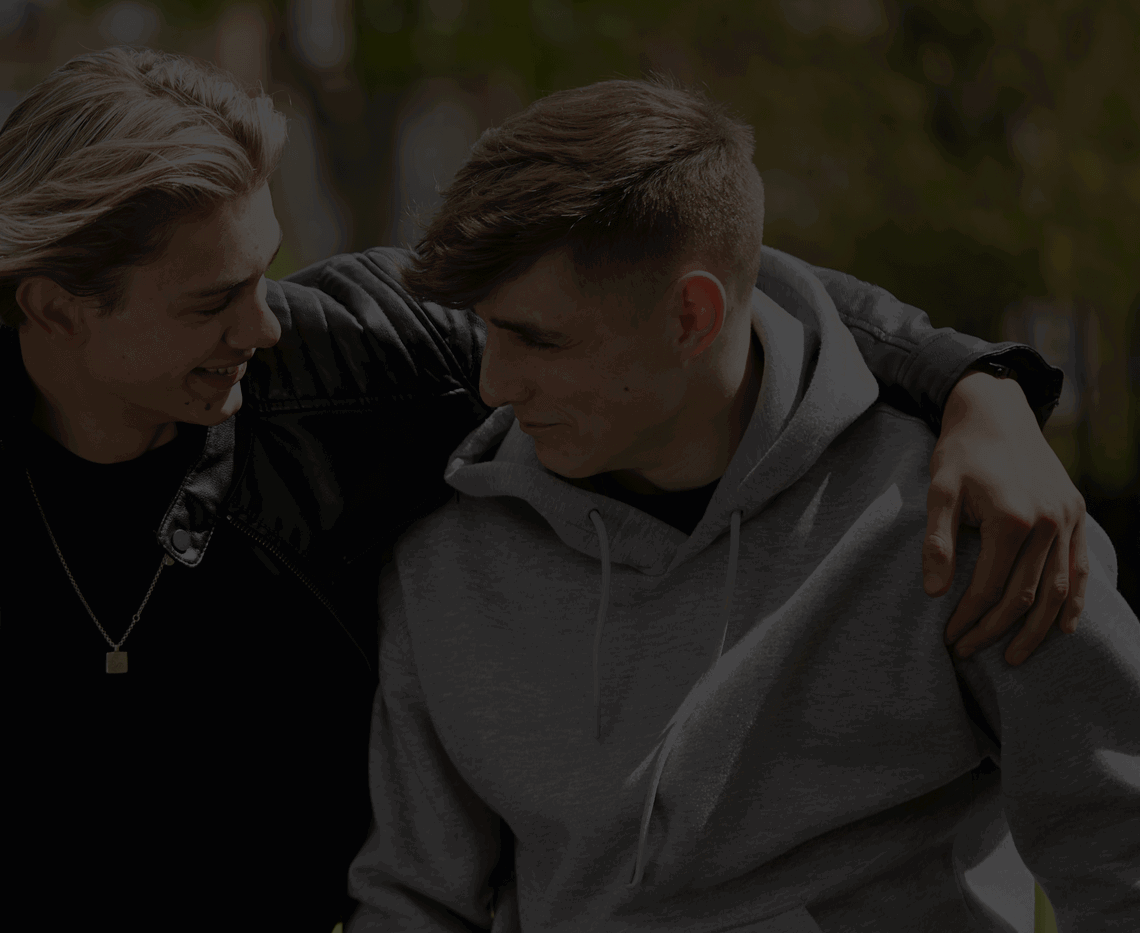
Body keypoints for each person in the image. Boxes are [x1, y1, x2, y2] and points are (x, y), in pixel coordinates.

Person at [0, 49, 1087, 933]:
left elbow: (675, 270)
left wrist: (981, 390)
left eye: (268, 273)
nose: (264, 328)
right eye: (216, 298)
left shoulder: (346, 368)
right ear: (55, 311)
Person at [347, 78, 1138, 932]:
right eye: (487, 330)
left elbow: (1123, 850)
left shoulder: (965, 522)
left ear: (691, 315)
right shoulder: (447, 566)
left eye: (539, 338)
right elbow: (416, 903)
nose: (494, 384)